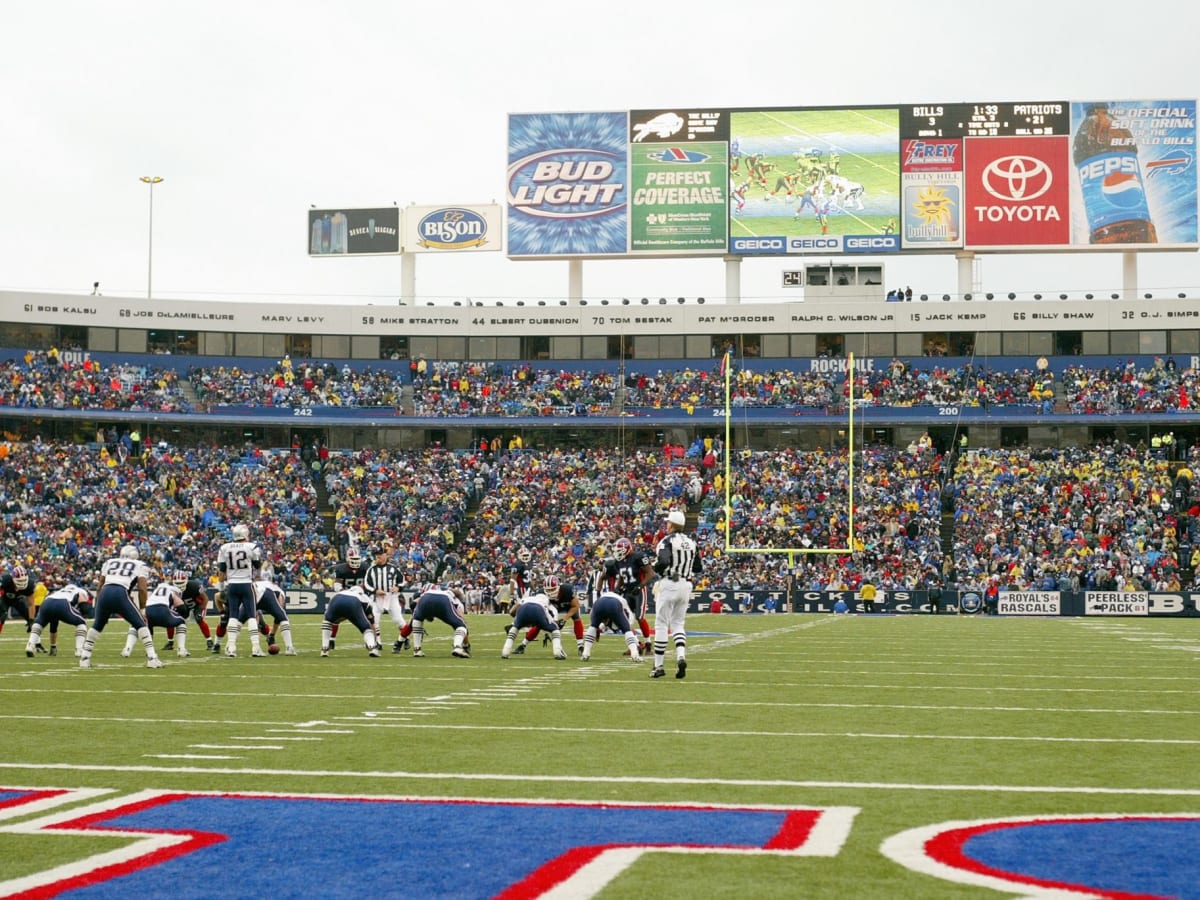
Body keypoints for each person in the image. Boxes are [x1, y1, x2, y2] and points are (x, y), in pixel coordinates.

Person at [80, 544, 163, 669]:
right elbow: (142, 588)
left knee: (97, 625)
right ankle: (152, 658)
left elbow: (100, 585)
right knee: (141, 623)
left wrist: (99, 604)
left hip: (105, 592)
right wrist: (142, 609)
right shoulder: (140, 565)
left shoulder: (109, 562)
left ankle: (84, 658)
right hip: (120, 592)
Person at [650, 510, 702, 679]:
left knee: (661, 624)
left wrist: (655, 567)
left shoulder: (666, 541)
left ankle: (658, 666)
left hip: (669, 582)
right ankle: (681, 656)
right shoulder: (692, 542)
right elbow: (697, 567)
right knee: (678, 624)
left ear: (671, 524)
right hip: (685, 584)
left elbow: (663, 561)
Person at [593, 536, 655, 654]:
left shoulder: (638, 557)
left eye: (619, 551)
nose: (617, 554)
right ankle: (636, 644)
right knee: (623, 619)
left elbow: (650, 574)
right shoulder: (618, 562)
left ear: (627, 549)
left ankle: (648, 645)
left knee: (640, 617)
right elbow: (622, 576)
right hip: (627, 592)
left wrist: (639, 586)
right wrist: (617, 589)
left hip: (639, 591)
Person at [217, 523, 264, 658]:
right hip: (246, 584)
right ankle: (255, 647)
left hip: (231, 585)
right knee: (251, 615)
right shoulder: (251, 547)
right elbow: (257, 565)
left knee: (233, 615)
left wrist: (221, 589)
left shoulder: (225, 548)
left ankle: (231, 647)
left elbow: (221, 571)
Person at [122, 571, 190, 658]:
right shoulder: (173, 590)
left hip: (148, 609)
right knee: (181, 621)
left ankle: (128, 648)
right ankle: (181, 649)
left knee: (136, 624)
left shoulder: (158, 589)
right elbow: (181, 607)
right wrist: (183, 614)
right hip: (162, 611)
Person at [502, 573, 567, 660]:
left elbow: (512, 611)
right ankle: (557, 652)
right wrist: (552, 626)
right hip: (538, 610)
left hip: (523, 608)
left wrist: (516, 621)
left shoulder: (529, 597)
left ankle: (505, 651)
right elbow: (554, 616)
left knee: (515, 628)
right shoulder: (546, 601)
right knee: (555, 630)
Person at [362, 541, 409, 653]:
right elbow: (366, 584)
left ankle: (405, 638)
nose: (379, 558)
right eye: (377, 557)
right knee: (375, 620)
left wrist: (398, 587)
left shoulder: (393, 568)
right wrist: (375, 590)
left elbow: (402, 581)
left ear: (386, 556)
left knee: (398, 619)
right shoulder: (371, 570)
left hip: (391, 597)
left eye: (381, 556)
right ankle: (378, 642)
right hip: (377, 598)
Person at [404, 582, 470, 658]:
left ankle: (417, 650)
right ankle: (457, 647)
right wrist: (466, 643)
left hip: (425, 599)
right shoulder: (456, 600)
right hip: (443, 601)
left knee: (417, 620)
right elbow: (462, 621)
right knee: (461, 625)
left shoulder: (432, 591)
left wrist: (416, 615)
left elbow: (414, 603)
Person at [26, 583, 90, 659]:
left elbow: (53, 627)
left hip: (47, 602)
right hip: (62, 604)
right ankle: (79, 650)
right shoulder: (79, 590)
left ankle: (30, 645)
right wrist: (84, 614)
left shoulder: (59, 591)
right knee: (81, 623)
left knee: (39, 623)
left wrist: (53, 646)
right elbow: (84, 606)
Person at [319, 584, 381, 657]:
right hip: (353, 602)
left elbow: (327, 614)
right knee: (366, 628)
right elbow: (371, 622)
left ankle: (325, 649)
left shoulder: (341, 593)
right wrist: (375, 640)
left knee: (327, 622)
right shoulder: (364, 597)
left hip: (336, 599)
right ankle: (372, 648)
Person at [581, 588, 642, 662]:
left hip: (599, 603)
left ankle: (585, 654)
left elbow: (593, 619)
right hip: (614, 604)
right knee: (627, 629)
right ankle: (635, 654)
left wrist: (596, 628)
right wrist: (636, 643)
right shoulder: (623, 601)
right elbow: (629, 626)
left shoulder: (603, 597)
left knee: (592, 626)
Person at [327, 547, 369, 651]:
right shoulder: (341, 569)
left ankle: (371, 641)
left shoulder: (364, 567)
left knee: (369, 618)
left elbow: (369, 583)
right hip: (346, 595)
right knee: (335, 619)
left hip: (361, 596)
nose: (355, 562)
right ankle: (331, 639)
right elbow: (337, 585)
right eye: (353, 559)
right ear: (347, 559)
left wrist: (362, 589)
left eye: (357, 559)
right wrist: (344, 591)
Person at [254, 576, 296, 655]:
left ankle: (255, 647)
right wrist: (272, 634)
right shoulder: (277, 590)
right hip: (267, 595)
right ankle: (289, 647)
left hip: (253, 594)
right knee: (282, 617)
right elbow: (279, 616)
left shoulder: (258, 584)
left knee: (248, 620)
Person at [0, 564, 37, 638]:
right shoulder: (5, 579)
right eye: (19, 580)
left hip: (17, 599)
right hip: (4, 598)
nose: (22, 582)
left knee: (33, 621)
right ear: (13, 578)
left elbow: (31, 604)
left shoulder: (29, 585)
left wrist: (31, 620)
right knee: (2, 616)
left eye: (23, 580)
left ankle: (36, 643)